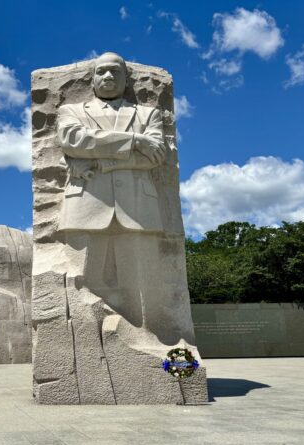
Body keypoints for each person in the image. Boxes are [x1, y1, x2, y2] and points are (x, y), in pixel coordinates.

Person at [55, 51, 195, 345]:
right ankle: (85, 345)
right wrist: (134, 141)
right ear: (91, 78)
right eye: (101, 72)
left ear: (125, 78)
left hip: (138, 207)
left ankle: (147, 339)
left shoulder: (148, 114)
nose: (108, 77)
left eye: (114, 72)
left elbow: (156, 155)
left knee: (143, 283)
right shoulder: (71, 111)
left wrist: (105, 162)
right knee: (82, 282)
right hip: (86, 204)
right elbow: (73, 141)